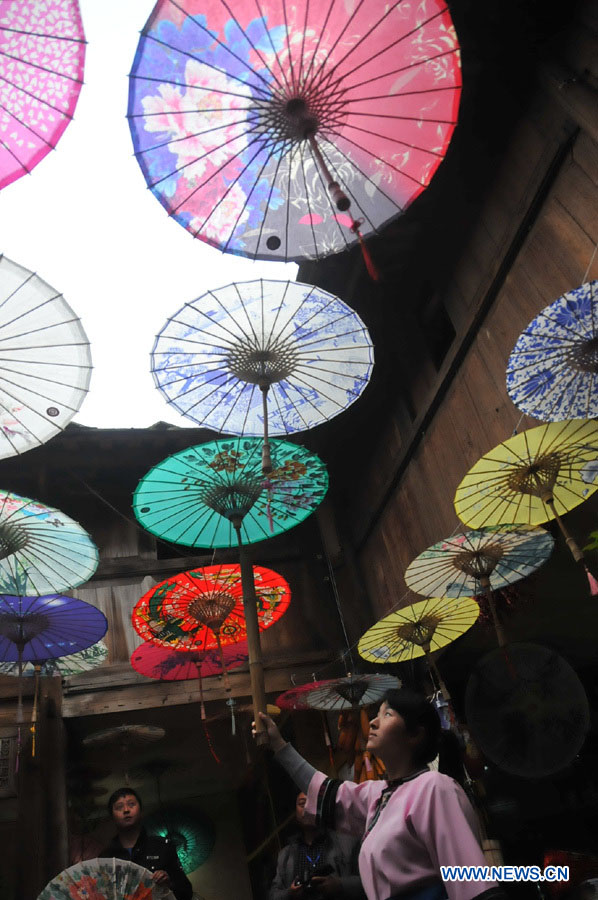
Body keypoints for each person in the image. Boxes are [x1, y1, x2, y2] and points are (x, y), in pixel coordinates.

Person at [255, 689, 504, 900]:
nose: (373, 722)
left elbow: (469, 879)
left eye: (387, 714)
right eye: (377, 713)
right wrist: (279, 745)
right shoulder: (379, 795)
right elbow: (325, 791)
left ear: (415, 734)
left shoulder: (435, 788)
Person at [99, 787, 193, 900]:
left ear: (141, 810)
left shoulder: (162, 846)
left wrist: (168, 883)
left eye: (131, 804)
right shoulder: (106, 857)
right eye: (119, 807)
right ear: (112, 816)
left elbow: (186, 892)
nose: (126, 810)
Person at [269, 790, 365, 900]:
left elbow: (368, 883)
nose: (307, 807)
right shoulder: (285, 855)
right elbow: (273, 895)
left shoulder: (348, 843)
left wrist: (339, 885)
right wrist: (290, 894)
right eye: (302, 803)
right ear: (296, 813)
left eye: (312, 802)